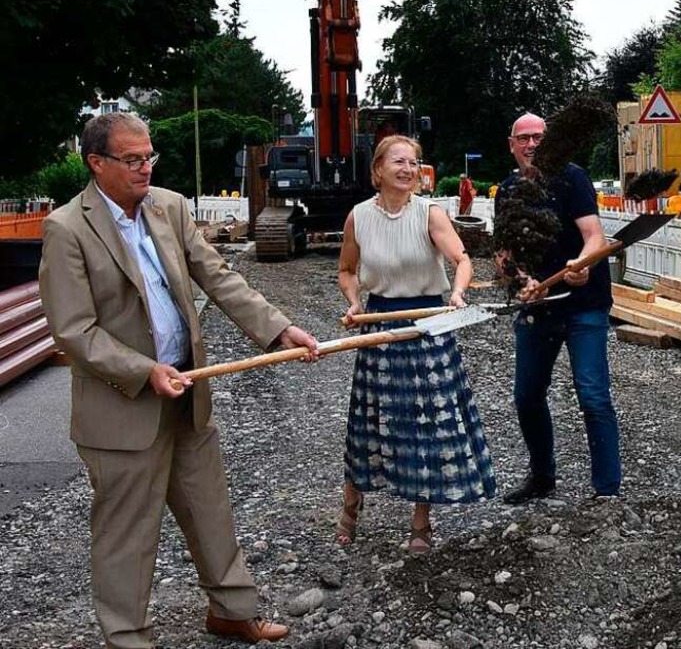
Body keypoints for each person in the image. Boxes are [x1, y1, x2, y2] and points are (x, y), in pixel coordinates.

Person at [38, 113, 320, 648]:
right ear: (96, 163)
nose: (146, 167)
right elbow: (74, 331)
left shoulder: (169, 207)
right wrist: (144, 371)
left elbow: (219, 275)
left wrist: (278, 328)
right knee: (127, 536)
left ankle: (232, 612)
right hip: (121, 409)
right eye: (132, 159)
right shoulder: (66, 228)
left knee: (211, 512)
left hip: (188, 393)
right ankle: (128, 639)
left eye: (150, 156)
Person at [337, 135, 496, 552]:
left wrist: (458, 294)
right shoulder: (358, 217)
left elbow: (461, 260)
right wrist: (354, 302)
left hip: (428, 325)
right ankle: (351, 504)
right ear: (377, 171)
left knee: (425, 426)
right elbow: (348, 270)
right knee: (370, 421)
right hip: (379, 324)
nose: (408, 169)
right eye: (398, 162)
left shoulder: (430, 214)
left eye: (414, 162)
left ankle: (421, 523)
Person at [495, 112, 622, 503]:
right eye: (524, 138)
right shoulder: (508, 190)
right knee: (527, 395)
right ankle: (542, 477)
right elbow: (503, 254)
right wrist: (520, 280)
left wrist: (583, 264)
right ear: (512, 145)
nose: (532, 145)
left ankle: (607, 491)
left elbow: (594, 236)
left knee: (592, 394)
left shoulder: (572, 177)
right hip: (539, 306)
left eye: (539, 137)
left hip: (583, 303)